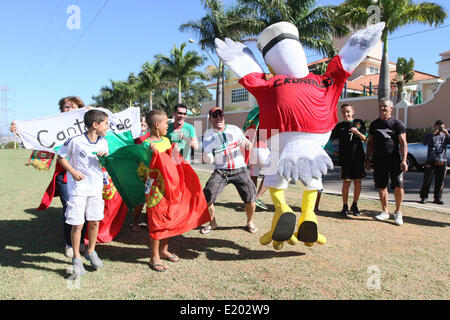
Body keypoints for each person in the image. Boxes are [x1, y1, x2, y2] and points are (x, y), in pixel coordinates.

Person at [10, 96, 88, 258]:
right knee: (70, 208)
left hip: (87, 175)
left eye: (73, 107)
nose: (68, 110)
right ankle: (69, 243)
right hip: (64, 175)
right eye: (65, 107)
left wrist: (91, 111)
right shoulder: (54, 129)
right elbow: (38, 141)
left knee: (86, 208)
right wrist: (20, 133)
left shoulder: (87, 125)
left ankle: (82, 240)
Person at [57, 109, 110, 277]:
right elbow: (61, 156)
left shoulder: (104, 142)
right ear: (96, 124)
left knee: (94, 221)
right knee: (78, 224)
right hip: (78, 189)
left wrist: (104, 157)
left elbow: (105, 162)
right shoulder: (75, 141)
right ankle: (77, 258)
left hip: (96, 188)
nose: (108, 127)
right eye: (106, 124)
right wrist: (72, 172)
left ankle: (91, 251)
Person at [200, 107, 257, 234]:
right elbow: (208, 156)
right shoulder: (209, 135)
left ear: (223, 116)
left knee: (251, 197)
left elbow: (249, 144)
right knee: (207, 195)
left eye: (220, 115)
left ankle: (250, 222)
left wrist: (247, 144)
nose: (218, 118)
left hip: (240, 169)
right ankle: (213, 223)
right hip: (221, 171)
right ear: (211, 118)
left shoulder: (234, 129)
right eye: (215, 115)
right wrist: (208, 157)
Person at [141, 110, 181, 272]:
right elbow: (145, 166)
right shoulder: (145, 144)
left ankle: (164, 250)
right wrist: (151, 154)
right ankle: (154, 256)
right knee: (157, 220)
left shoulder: (166, 140)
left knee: (168, 218)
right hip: (155, 189)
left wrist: (176, 151)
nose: (168, 126)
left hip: (170, 186)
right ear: (157, 125)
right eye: (166, 123)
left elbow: (174, 161)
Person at [365, 98, 408, 226]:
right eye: (380, 106)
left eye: (385, 106)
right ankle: (385, 211)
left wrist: (404, 160)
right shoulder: (374, 124)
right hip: (379, 160)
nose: (382, 108)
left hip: (394, 160)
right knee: (381, 186)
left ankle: (398, 212)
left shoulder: (397, 124)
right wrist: (367, 160)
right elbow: (370, 143)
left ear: (391, 108)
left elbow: (403, 143)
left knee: (398, 186)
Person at [330, 103, 367, 217]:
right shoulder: (339, 126)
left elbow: (365, 139)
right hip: (345, 160)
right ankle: (345, 206)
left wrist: (357, 132)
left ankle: (354, 205)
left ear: (352, 112)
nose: (346, 114)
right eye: (344, 112)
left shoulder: (359, 123)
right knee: (346, 183)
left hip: (358, 158)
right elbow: (332, 142)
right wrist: (335, 151)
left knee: (357, 183)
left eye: (348, 112)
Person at [419, 120, 450, 204]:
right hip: (430, 160)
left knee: (440, 181)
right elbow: (424, 143)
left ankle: (437, 198)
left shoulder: (445, 136)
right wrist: (433, 134)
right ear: (435, 126)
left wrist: (447, 133)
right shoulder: (430, 135)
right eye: (438, 127)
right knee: (427, 180)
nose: (440, 129)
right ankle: (424, 197)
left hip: (442, 160)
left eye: (441, 127)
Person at [131, 113, 150, 232]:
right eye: (140, 123)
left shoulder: (150, 138)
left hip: (150, 172)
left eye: (145, 124)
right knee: (139, 200)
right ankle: (135, 222)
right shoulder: (132, 138)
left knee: (151, 199)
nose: (143, 126)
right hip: (137, 172)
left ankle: (149, 222)